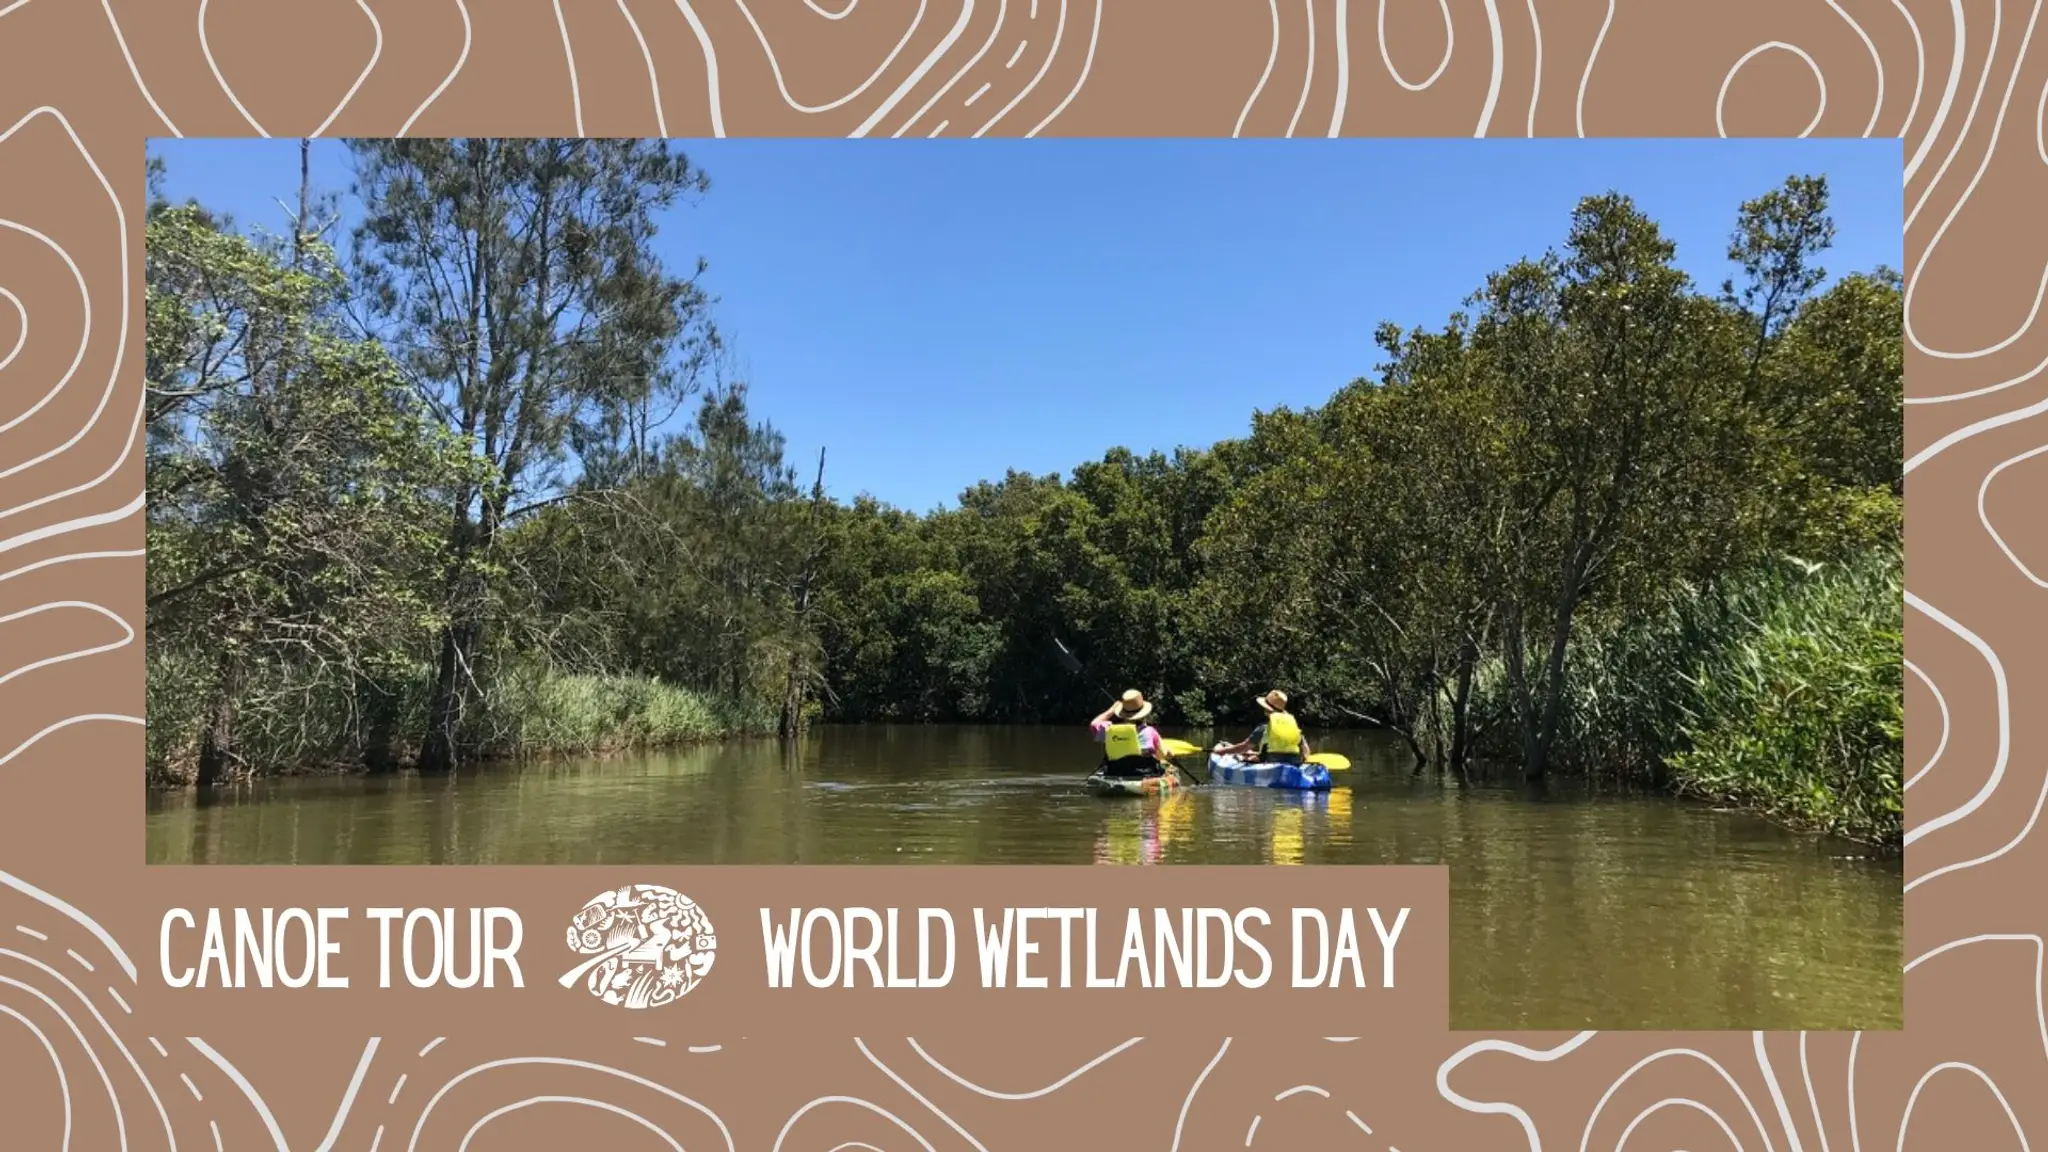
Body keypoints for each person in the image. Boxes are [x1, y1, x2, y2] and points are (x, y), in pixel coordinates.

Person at [1214, 689, 1312, 765]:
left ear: (1266, 709)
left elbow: (1244, 747)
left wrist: (1222, 752)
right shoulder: (1294, 728)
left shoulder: (1264, 728)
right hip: (1293, 763)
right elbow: (1306, 750)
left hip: (1270, 763)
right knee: (1251, 753)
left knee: (1249, 756)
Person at [1091, 690, 1169, 778]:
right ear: (1143, 714)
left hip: (1114, 772)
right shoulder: (1150, 731)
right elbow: (1163, 754)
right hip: (1144, 775)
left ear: (1122, 713)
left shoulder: (1108, 729)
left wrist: (1112, 710)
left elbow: (1094, 724)